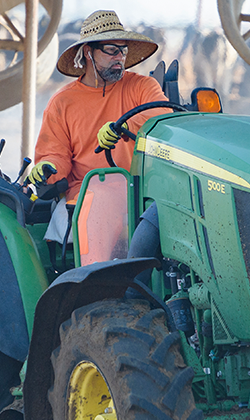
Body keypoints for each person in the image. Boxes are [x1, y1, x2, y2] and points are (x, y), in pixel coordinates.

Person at [29, 10, 171, 244]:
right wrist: (47, 167)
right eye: (111, 50)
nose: (120, 57)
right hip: (88, 197)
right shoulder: (62, 102)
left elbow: (161, 115)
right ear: (88, 52)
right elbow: (55, 154)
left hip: (141, 195)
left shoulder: (143, 86)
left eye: (123, 50)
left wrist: (122, 128)